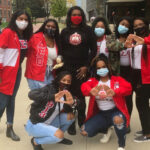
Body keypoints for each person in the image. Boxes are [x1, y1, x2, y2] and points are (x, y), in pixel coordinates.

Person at [80, 54, 132, 150]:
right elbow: (84, 86)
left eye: (103, 67)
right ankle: (107, 129)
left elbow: (129, 88)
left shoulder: (117, 80)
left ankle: (121, 144)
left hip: (116, 111)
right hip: (102, 114)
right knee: (84, 132)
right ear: (96, 70)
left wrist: (115, 92)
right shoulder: (94, 81)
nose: (101, 69)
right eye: (98, 68)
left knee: (118, 120)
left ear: (108, 66)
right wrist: (91, 91)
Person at [60, 6, 97, 135]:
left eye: (79, 14)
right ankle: (70, 123)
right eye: (74, 14)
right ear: (70, 16)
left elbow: (93, 50)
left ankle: (82, 121)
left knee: (80, 96)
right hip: (67, 68)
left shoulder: (88, 30)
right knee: (68, 95)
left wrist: (86, 66)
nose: (76, 17)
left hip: (82, 68)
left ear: (83, 17)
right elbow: (61, 49)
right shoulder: (65, 31)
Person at [0, 10, 33, 141]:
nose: (23, 21)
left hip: (17, 70)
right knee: (3, 101)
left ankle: (9, 127)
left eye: (26, 19)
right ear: (15, 19)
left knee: (11, 99)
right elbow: (0, 50)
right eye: (21, 18)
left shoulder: (25, 35)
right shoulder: (8, 32)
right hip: (6, 71)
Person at [25, 71, 77, 150]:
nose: (66, 83)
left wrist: (73, 103)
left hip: (50, 121)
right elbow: (31, 94)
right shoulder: (49, 88)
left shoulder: (66, 93)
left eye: (68, 81)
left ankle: (58, 138)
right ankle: (36, 141)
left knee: (71, 116)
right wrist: (52, 97)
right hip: (35, 124)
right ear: (58, 80)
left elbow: (78, 103)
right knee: (59, 135)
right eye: (63, 80)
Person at [125, 17, 150, 142]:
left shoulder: (147, 39)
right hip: (134, 74)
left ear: (146, 24)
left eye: (141, 24)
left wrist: (144, 40)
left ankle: (147, 134)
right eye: (136, 26)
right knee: (141, 104)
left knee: (142, 104)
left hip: (144, 75)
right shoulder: (134, 40)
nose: (138, 27)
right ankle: (147, 128)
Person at [25, 19, 61, 90]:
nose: (50, 28)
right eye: (48, 26)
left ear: (56, 29)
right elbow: (26, 53)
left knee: (51, 97)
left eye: (53, 27)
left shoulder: (56, 41)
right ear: (44, 26)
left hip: (50, 72)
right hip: (36, 73)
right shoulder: (35, 37)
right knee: (40, 98)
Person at [115, 16, 133, 133]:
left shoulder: (133, 39)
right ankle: (116, 120)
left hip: (129, 72)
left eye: (127, 25)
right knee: (116, 97)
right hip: (117, 71)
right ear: (117, 25)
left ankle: (127, 121)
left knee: (128, 98)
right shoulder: (112, 39)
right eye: (122, 24)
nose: (124, 27)